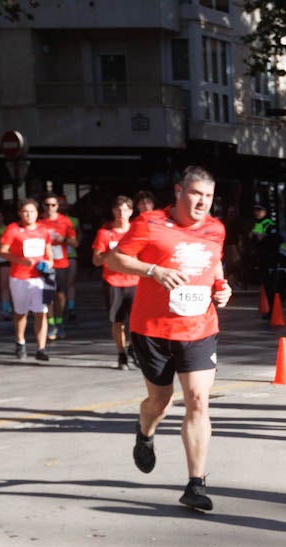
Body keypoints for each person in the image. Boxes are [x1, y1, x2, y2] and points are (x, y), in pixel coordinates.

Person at [105, 165, 233, 513]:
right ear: (179, 192)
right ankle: (145, 431)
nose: (202, 202)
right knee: (159, 402)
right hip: (152, 330)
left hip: (199, 329)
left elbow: (215, 264)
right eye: (195, 194)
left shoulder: (215, 228)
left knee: (198, 400)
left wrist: (223, 288)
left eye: (208, 196)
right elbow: (113, 258)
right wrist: (153, 270)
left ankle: (196, 483)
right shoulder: (150, 223)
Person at [0, 199, 55, 361]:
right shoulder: (13, 229)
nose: (29, 215)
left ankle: (41, 348)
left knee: (41, 312)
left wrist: (49, 263)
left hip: (40, 278)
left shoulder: (43, 230)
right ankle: (20, 342)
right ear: (19, 213)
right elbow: (2, 251)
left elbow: (48, 251)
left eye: (32, 211)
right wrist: (19, 260)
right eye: (25, 211)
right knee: (21, 312)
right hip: (20, 277)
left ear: (37, 213)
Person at [93, 195, 138, 370]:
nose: (121, 213)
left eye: (125, 209)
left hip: (135, 280)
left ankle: (134, 348)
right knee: (118, 321)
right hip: (113, 282)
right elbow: (96, 260)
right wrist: (111, 255)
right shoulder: (104, 233)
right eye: (118, 209)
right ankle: (121, 355)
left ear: (131, 212)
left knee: (136, 320)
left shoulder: (136, 232)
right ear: (113, 211)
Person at [38, 194, 77, 341]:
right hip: (45, 262)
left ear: (58, 206)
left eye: (53, 205)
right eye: (47, 205)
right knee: (48, 295)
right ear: (42, 206)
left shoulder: (65, 221)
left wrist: (64, 240)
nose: (50, 208)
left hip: (61, 262)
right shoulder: (39, 222)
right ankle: (51, 323)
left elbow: (75, 243)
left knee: (60, 294)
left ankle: (60, 322)